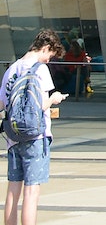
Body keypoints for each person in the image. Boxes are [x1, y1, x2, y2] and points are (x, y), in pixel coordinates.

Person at [1, 28, 67, 225]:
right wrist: (54, 99)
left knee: (13, 189)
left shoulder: (12, 69)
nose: (48, 61)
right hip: (36, 137)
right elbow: (40, 105)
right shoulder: (40, 69)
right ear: (45, 48)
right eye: (50, 56)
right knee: (31, 191)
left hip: (13, 137)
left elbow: (2, 103)